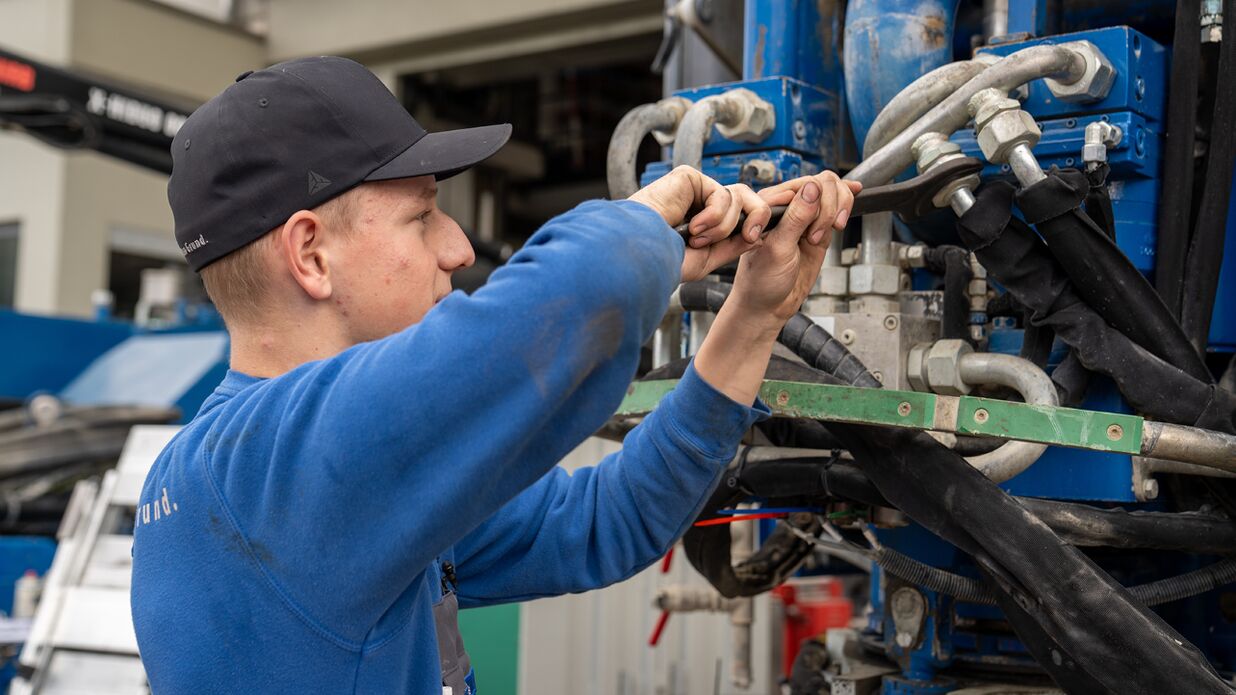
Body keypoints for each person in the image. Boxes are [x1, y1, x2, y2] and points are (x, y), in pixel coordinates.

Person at [130, 56, 857, 694]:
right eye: (422, 217)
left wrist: (756, 315)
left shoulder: (296, 478)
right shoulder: (273, 468)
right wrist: (648, 220)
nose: (456, 248)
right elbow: (596, 281)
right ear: (311, 255)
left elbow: (601, 521)